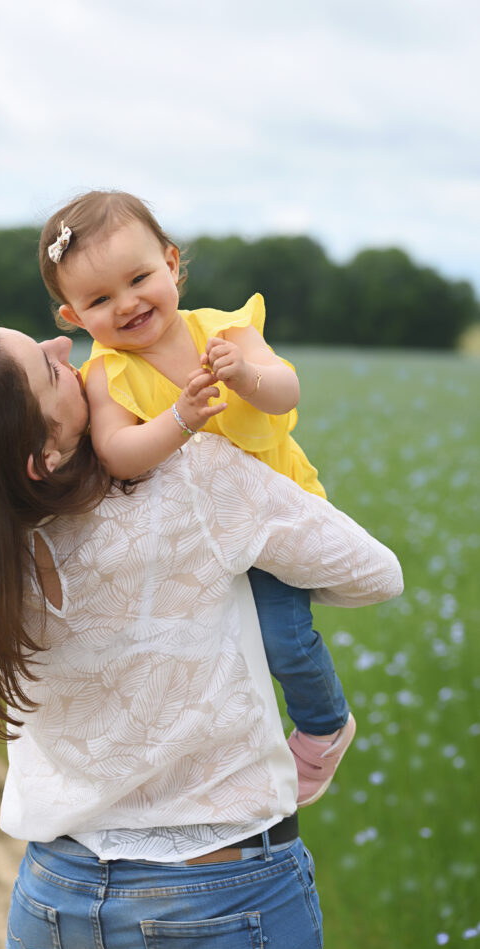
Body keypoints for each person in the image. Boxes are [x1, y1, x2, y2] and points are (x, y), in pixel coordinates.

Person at [0, 318, 403, 949]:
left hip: (58, 906)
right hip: (226, 898)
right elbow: (374, 576)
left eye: (42, 342)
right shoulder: (195, 475)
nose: (68, 349)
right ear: (42, 458)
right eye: (49, 371)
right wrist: (252, 562)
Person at [39, 190, 355, 806]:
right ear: (74, 318)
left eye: (139, 278)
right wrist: (178, 420)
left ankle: (325, 725)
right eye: (100, 299)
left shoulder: (224, 330)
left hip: (272, 523)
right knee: (212, 660)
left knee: (282, 638)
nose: (127, 304)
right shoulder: (106, 375)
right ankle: (218, 768)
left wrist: (247, 377)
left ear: (171, 262)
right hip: (193, 544)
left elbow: (285, 393)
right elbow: (115, 451)